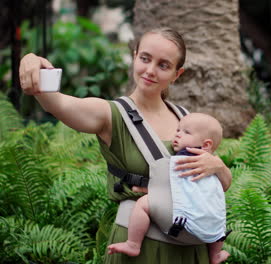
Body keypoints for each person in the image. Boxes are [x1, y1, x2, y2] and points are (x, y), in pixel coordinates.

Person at [19, 27, 232, 264]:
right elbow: (57, 104)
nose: (150, 70)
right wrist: (31, 61)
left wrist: (218, 167)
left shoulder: (187, 120)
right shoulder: (111, 115)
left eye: (163, 65)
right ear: (134, 56)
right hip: (142, 249)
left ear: (176, 74)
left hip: (192, 247)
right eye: (145, 58)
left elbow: (210, 187)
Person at [107, 112, 229, 264]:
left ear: (206, 145)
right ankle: (216, 255)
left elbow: (169, 185)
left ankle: (133, 243)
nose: (178, 134)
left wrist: (145, 191)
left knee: (143, 204)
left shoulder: (184, 159)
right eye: (178, 130)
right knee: (218, 220)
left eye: (186, 132)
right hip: (210, 221)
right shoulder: (212, 163)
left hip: (183, 218)